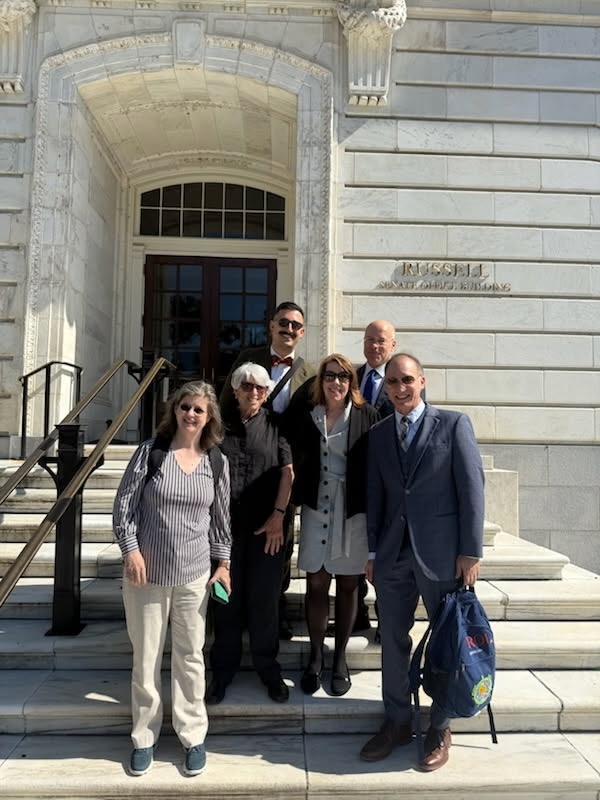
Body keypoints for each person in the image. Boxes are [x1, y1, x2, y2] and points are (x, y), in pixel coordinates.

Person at [359, 353, 484, 771]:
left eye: (407, 380)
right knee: (392, 641)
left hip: (443, 556)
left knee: (446, 642)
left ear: (422, 381)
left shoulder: (453, 424)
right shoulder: (379, 434)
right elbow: (376, 496)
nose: (400, 388)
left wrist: (470, 551)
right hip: (393, 556)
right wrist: (373, 553)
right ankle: (396, 721)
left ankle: (440, 725)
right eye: (393, 382)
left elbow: (472, 489)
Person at [113, 381, 231, 778]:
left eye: (199, 409)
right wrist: (131, 549)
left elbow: (221, 520)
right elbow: (124, 505)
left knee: (190, 657)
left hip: (194, 576)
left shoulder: (216, 461)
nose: (190, 414)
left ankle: (192, 735)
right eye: (185, 407)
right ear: (174, 410)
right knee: (146, 658)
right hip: (146, 575)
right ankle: (143, 738)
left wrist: (223, 564)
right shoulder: (151, 453)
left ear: (209, 417)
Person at [219, 301, 316, 640]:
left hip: (285, 468)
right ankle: (234, 608)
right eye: (283, 323)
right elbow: (225, 405)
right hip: (243, 464)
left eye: (295, 326)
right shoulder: (249, 357)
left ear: (302, 333)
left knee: (281, 543)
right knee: (236, 541)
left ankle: (275, 608)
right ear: (272, 325)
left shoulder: (310, 373)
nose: (289, 329)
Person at [206, 362, 294, 705]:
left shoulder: (277, 425)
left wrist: (278, 517)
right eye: (246, 386)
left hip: (267, 532)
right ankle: (222, 672)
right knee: (224, 601)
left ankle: (268, 670)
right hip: (223, 532)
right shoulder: (218, 426)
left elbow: (288, 473)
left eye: (260, 387)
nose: (253, 392)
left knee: (264, 602)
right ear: (235, 389)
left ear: (267, 393)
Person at [290, 354, 377, 696]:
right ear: (321, 380)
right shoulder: (307, 414)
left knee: (348, 584)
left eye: (343, 377)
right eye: (329, 376)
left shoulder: (367, 415)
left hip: (352, 511)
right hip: (317, 508)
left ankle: (339, 658)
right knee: (316, 583)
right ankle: (315, 655)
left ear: (351, 382)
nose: (336, 382)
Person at [357, 319, 397, 420]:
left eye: (381, 341)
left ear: (393, 345)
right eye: (370, 339)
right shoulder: (351, 378)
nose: (374, 346)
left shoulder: (405, 381)